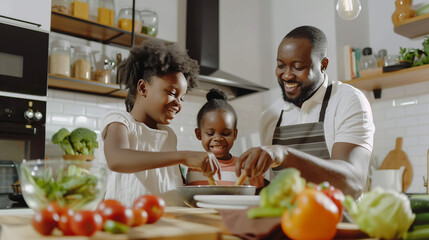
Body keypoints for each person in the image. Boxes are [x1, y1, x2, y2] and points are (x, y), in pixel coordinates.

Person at [235, 26, 375, 199]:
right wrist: (254, 182)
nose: (286, 75)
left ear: (323, 65)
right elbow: (275, 190)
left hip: (340, 223)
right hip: (287, 222)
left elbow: (352, 184)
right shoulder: (270, 116)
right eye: (280, 66)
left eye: (298, 67)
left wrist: (284, 154)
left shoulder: (348, 100)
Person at [100, 39, 221, 207]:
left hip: (167, 219)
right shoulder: (121, 122)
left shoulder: (169, 135)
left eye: (182, 98)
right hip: (128, 220)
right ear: (143, 88)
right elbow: (117, 159)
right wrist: (184, 156)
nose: (178, 104)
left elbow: (169, 181)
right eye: (172, 93)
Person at [186, 88, 265, 187]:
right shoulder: (194, 167)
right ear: (199, 134)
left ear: (235, 134)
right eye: (210, 133)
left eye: (226, 133)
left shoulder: (245, 166)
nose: (218, 138)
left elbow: (264, 194)